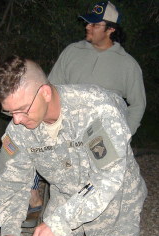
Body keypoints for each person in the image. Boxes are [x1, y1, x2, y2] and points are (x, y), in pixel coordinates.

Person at [0, 55, 147, 236]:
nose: (17, 120)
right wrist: (10, 231)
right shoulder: (19, 130)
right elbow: (13, 181)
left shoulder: (96, 108)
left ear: (45, 93)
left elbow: (107, 177)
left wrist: (58, 223)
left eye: (22, 110)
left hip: (116, 203)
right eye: (9, 112)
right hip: (66, 197)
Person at [48, 1, 146, 136]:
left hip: (103, 142)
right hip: (67, 134)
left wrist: (125, 134)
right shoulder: (72, 51)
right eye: (88, 22)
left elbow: (138, 105)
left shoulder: (128, 64)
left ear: (111, 29)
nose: (88, 26)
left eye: (95, 24)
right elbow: (50, 91)